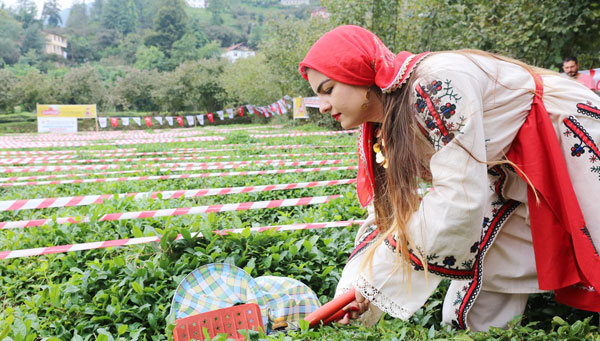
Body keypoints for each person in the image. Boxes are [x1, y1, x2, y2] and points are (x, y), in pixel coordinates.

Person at [298, 25, 600, 331]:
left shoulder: (433, 85)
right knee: (467, 308)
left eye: (327, 89)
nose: (321, 106)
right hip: (503, 168)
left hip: (562, 132)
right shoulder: (379, 132)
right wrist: (355, 288)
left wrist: (375, 281)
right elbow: (385, 218)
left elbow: (457, 198)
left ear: (358, 74)